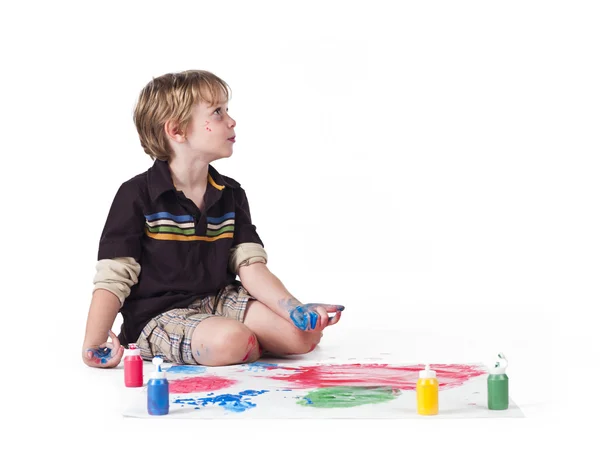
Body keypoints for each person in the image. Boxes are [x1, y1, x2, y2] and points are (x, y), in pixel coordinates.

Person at [82, 70, 345, 368]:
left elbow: (251, 267)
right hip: (158, 313)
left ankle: (237, 341)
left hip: (219, 300)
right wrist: (94, 340)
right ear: (178, 131)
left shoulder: (230, 192)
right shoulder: (136, 195)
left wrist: (295, 309)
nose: (231, 121)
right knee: (231, 341)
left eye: (227, 110)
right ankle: (229, 342)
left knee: (304, 337)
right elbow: (114, 277)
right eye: (217, 112)